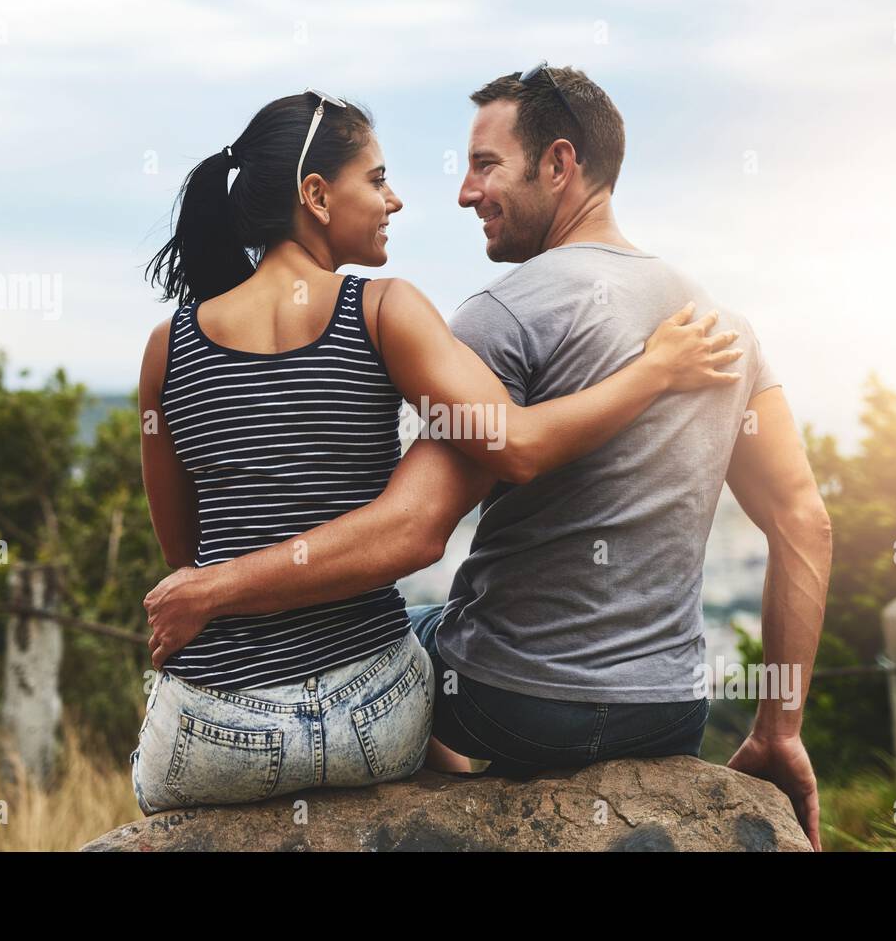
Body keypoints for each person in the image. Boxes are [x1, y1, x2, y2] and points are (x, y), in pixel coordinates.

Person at [130, 88, 744, 816]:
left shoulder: (168, 349)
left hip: (213, 736)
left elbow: (186, 546)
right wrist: (655, 370)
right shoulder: (383, 309)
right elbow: (514, 446)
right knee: (433, 643)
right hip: (372, 720)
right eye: (378, 180)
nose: (395, 202)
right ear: (317, 195)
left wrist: (216, 589)